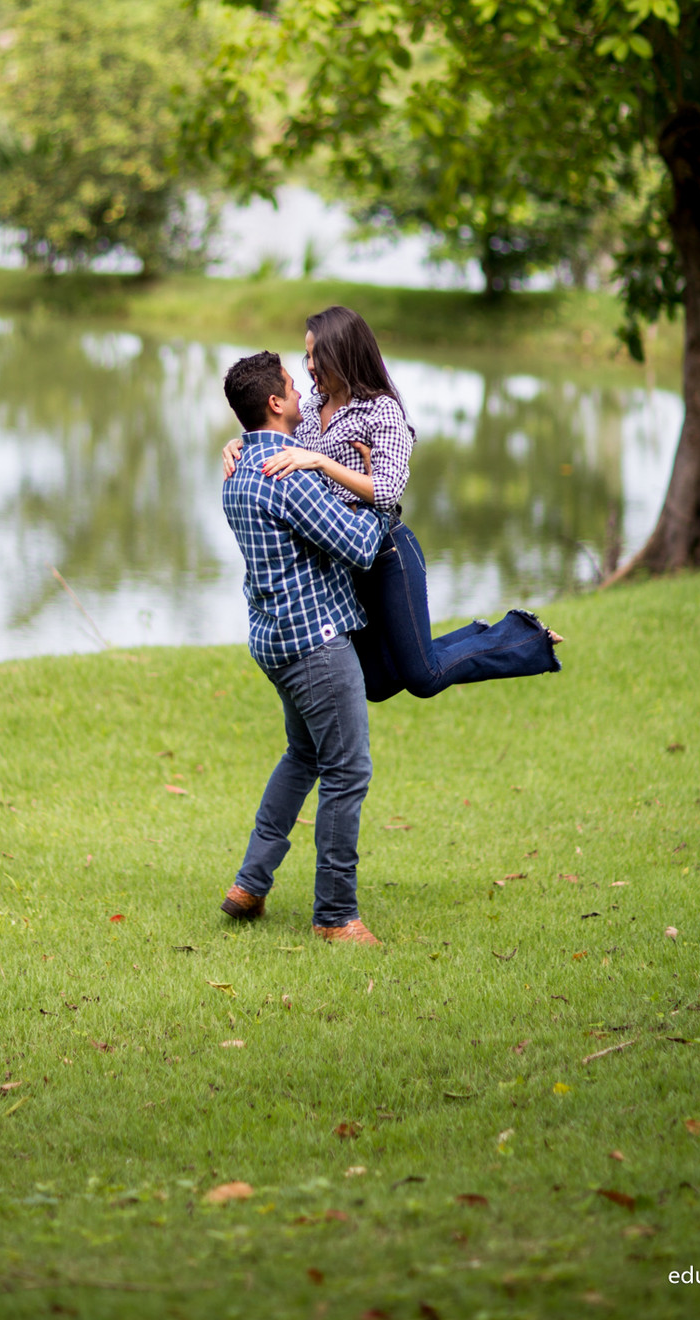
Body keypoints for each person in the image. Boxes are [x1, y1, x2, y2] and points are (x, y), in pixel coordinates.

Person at [223, 305, 562, 702]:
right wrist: (241, 442)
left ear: (341, 354)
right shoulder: (312, 410)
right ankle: (477, 633)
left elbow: (387, 491)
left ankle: (524, 635)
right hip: (346, 559)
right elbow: (279, 442)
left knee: (423, 678)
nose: (309, 366)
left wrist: (322, 462)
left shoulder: (383, 411)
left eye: (315, 355)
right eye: (307, 355)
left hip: (386, 555)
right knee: (378, 684)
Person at [219, 348, 388, 946]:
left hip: (273, 641)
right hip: (316, 645)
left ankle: (249, 885)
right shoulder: (288, 476)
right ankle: (336, 915)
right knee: (347, 771)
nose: (302, 394)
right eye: (293, 386)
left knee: (303, 757)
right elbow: (362, 547)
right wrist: (376, 495)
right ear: (273, 402)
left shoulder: (236, 470)